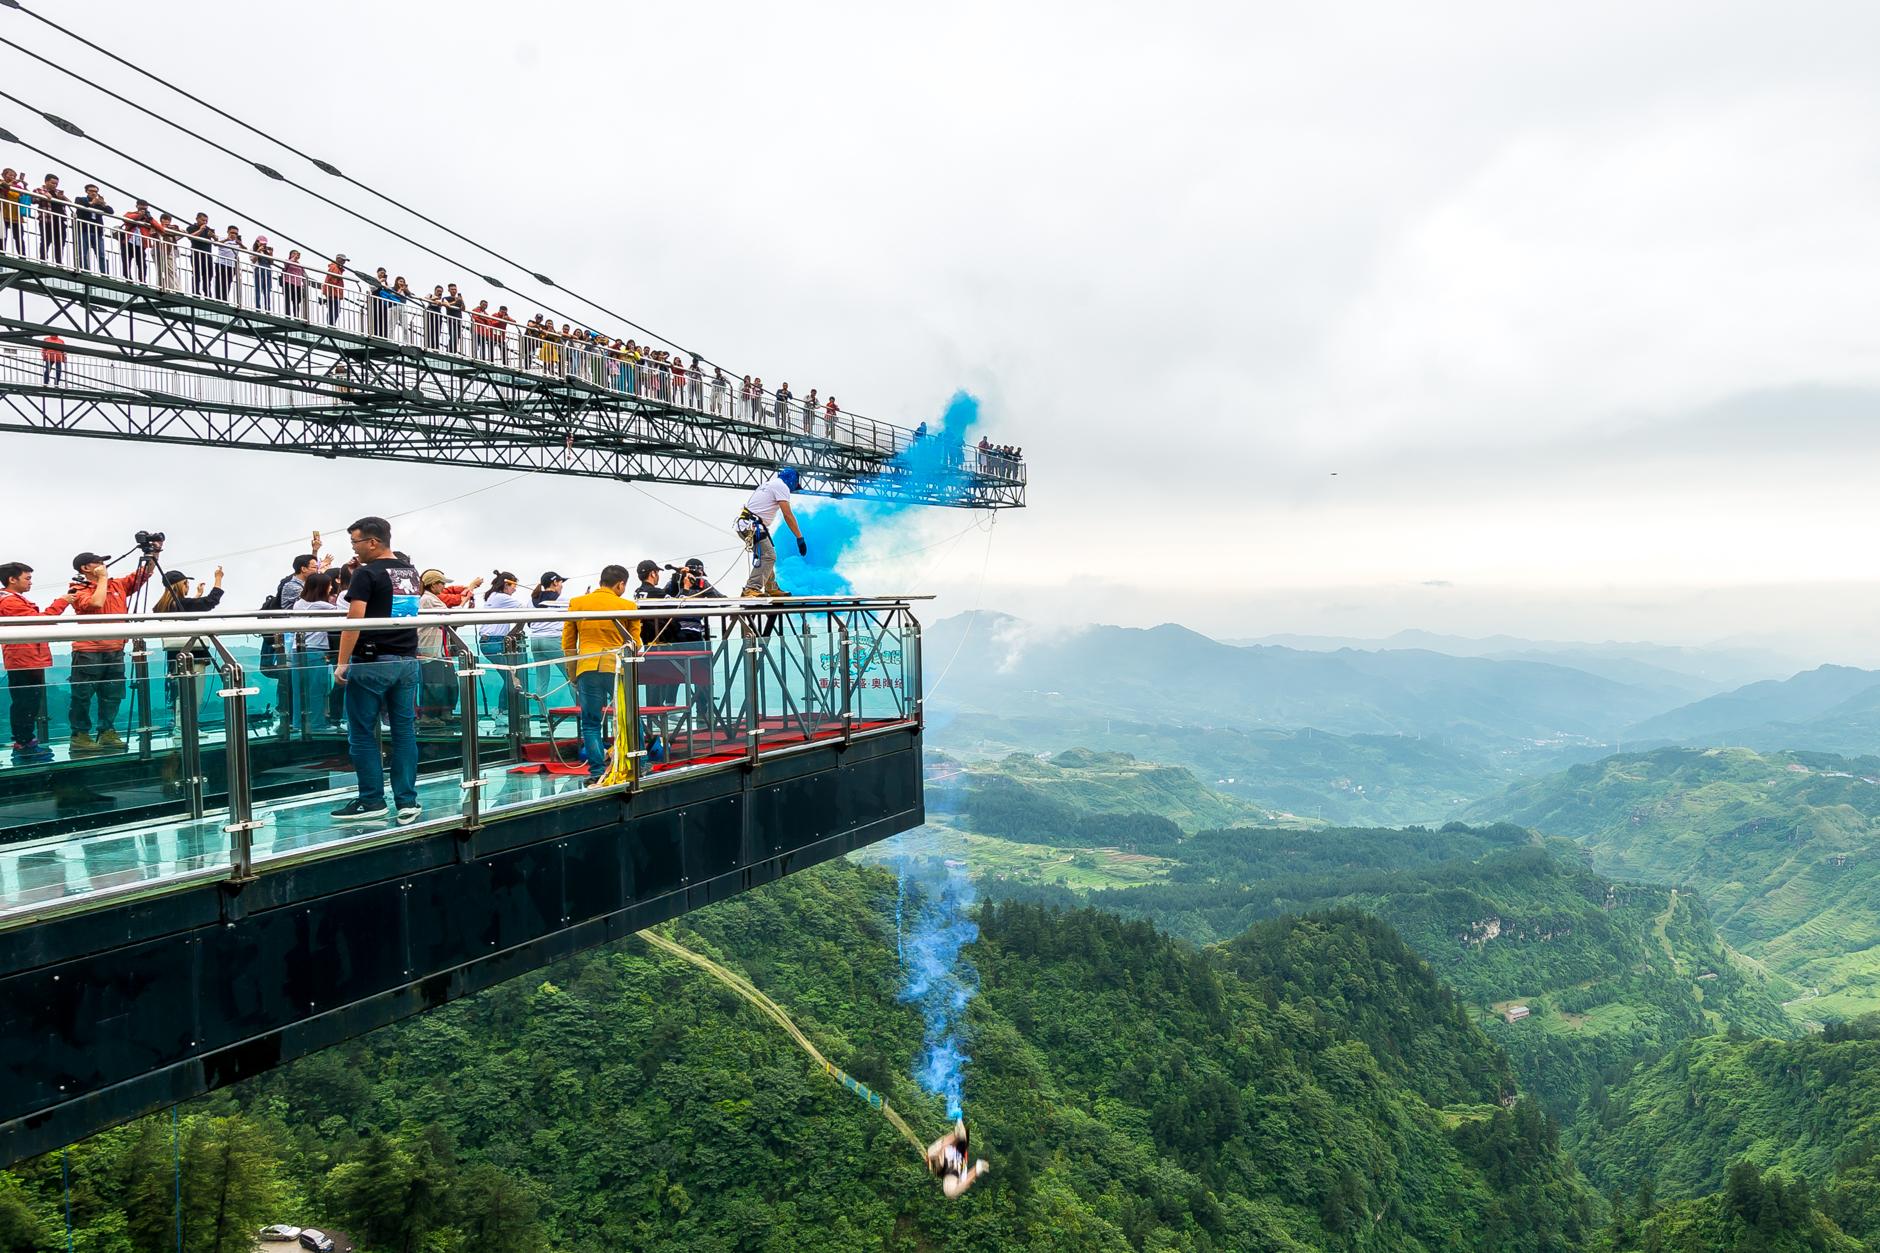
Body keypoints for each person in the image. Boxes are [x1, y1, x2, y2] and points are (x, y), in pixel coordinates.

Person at [331, 516, 423, 824]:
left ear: (372, 542)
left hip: (372, 662)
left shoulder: (366, 574)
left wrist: (342, 662)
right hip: (407, 660)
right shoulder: (409, 571)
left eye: (355, 543)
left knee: (361, 733)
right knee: (404, 731)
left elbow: (355, 620)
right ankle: (407, 801)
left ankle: (372, 801)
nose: (354, 550)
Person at [66, 542, 158, 754]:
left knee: (113, 693)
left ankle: (107, 731)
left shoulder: (117, 585)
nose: (102, 565)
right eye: (97, 562)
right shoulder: (77, 589)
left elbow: (144, 574)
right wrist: (103, 579)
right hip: (88, 650)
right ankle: (80, 736)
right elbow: (96, 603)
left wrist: (153, 553)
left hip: (115, 647)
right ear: (85, 568)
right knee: (82, 695)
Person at [561, 565, 640, 785]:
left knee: (590, 722)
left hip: (587, 667)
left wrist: (572, 673)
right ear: (620, 584)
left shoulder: (578, 603)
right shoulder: (628, 606)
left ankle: (596, 771)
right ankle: (639, 764)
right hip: (616, 667)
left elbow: (568, 643)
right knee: (630, 717)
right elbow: (635, 643)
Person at [0, 561, 71, 763]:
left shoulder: (11, 599)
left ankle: (27, 741)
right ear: (12, 579)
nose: (30, 582)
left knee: (27, 702)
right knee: (26, 702)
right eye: (27, 578)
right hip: (24, 659)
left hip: (26, 658)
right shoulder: (10, 602)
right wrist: (62, 601)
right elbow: (41, 620)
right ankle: (24, 743)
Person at [153, 566, 224, 725]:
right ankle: (186, 729)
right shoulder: (181, 604)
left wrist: (197, 596)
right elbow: (210, 602)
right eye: (185, 583)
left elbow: (185, 613)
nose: (188, 586)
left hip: (175, 656)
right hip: (193, 657)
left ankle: (182, 728)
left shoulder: (163, 606)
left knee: (180, 694)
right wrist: (218, 578)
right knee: (192, 696)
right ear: (178, 585)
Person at [416, 568, 482, 727]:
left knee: (449, 683)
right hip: (430, 649)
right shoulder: (428, 599)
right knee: (435, 683)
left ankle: (446, 712)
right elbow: (450, 617)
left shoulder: (433, 598)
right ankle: (428, 716)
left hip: (441, 649)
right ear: (433, 585)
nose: (443, 587)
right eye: (441, 584)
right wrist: (466, 598)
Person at [666, 557, 721, 732]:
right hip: (678, 635)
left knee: (702, 676)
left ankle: (703, 714)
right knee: (676, 672)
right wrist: (681, 583)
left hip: (696, 635)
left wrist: (705, 587)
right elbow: (674, 603)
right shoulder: (675, 585)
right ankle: (670, 708)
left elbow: (722, 599)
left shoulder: (702, 584)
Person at [290, 570, 345, 735]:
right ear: (322, 588)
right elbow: (344, 616)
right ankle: (317, 725)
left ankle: (299, 723)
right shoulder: (322, 606)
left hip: (297, 650)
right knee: (316, 689)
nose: (330, 589)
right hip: (315, 650)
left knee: (299, 689)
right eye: (329, 586)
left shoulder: (299, 603)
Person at [737, 466, 806, 596]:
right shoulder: (782, 487)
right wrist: (799, 538)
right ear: (792, 480)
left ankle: (771, 587)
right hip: (752, 526)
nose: (792, 490)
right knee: (769, 556)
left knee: (767, 555)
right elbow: (788, 515)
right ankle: (751, 588)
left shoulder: (769, 484)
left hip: (747, 524)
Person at [477, 570, 530, 730]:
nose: (515, 590)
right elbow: (526, 609)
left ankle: (503, 711)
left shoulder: (493, 596)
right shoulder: (501, 597)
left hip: (491, 641)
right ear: (506, 584)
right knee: (510, 678)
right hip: (494, 641)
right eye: (513, 586)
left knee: (510, 677)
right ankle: (501, 712)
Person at [634, 560, 679, 716]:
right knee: (667, 675)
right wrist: (684, 587)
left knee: (653, 677)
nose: (658, 575)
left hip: (647, 640)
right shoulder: (656, 593)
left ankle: (653, 715)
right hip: (661, 640)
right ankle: (662, 712)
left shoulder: (638, 591)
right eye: (657, 573)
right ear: (652, 573)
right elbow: (678, 604)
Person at [525, 571, 568, 719]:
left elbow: (529, 622)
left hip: (535, 641)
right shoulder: (562, 599)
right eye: (561, 582)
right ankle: (581, 713)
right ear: (555, 582)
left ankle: (543, 716)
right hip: (554, 640)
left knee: (541, 681)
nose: (562, 586)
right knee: (572, 677)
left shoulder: (532, 600)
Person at [925, 1121, 990, 1199]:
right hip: (955, 1166)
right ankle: (978, 1168)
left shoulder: (950, 1152)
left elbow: (944, 1146)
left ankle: (957, 1134)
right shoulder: (958, 1157)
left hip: (952, 1165)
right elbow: (965, 1181)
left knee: (933, 1152)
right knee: (950, 1192)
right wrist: (974, 1173)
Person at [72, 183, 112, 274]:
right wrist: (92, 203)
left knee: (101, 254)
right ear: (86, 191)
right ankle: (85, 270)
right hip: (84, 230)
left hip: (97, 232)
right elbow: (79, 204)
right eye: (91, 191)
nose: (94, 193)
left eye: (96, 191)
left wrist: (103, 204)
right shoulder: (81, 199)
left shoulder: (99, 204)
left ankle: (104, 273)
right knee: (83, 252)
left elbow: (111, 211)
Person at [35, 174, 69, 266]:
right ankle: (43, 260)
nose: (55, 185)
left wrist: (62, 198)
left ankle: (59, 262)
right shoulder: (40, 190)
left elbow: (70, 203)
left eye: (56, 183)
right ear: (46, 182)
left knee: (60, 241)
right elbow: (33, 199)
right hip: (47, 220)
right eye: (53, 183)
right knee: (46, 240)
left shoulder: (58, 192)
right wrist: (44, 195)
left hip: (60, 220)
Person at [120, 199, 156, 283]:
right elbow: (126, 218)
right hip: (129, 241)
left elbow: (156, 225)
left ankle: (142, 280)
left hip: (140, 243)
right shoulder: (130, 213)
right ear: (137, 206)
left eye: (145, 208)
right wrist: (139, 215)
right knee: (126, 260)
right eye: (141, 208)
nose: (143, 210)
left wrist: (149, 219)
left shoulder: (148, 217)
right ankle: (127, 277)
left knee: (142, 263)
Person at [184, 212, 214, 297]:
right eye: (203, 220)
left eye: (206, 221)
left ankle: (207, 293)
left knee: (208, 275)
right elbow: (190, 237)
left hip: (207, 255)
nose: (205, 222)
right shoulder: (191, 227)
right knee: (197, 273)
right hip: (196, 254)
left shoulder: (208, 229)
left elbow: (216, 241)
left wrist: (213, 236)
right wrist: (201, 230)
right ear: (197, 219)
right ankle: (196, 292)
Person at [214, 225, 244, 302]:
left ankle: (225, 300)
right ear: (228, 232)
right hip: (221, 263)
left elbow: (245, 250)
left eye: (236, 233)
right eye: (232, 232)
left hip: (232, 266)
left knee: (228, 283)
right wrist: (227, 239)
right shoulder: (222, 238)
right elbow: (216, 244)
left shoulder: (237, 242)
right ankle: (218, 299)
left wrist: (240, 243)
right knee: (219, 281)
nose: (234, 234)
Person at [0, 168, 22, 255]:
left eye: (14, 176)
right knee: (3, 235)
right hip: (4, 212)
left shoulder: (18, 186)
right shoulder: (1, 181)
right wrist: (11, 184)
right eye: (10, 175)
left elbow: (26, 195)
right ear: (4, 175)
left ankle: (22, 255)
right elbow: (4, 187)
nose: (12, 177)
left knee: (19, 236)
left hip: (16, 214)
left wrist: (24, 185)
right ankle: (2, 253)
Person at [251, 235, 275, 310]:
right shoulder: (253, 250)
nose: (263, 245)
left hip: (267, 271)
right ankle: (258, 307)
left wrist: (271, 254)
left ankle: (268, 308)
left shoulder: (266, 252)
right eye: (261, 243)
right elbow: (253, 260)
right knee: (258, 289)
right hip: (258, 270)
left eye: (264, 244)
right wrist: (258, 251)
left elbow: (271, 262)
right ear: (257, 242)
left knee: (267, 290)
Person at [281, 248, 307, 318]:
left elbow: (304, 274)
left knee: (296, 301)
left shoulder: (299, 264)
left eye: (296, 253)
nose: (295, 255)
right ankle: (288, 315)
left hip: (298, 285)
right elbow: (286, 265)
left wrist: (304, 284)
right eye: (293, 253)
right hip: (288, 282)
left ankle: (296, 316)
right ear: (290, 255)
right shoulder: (288, 261)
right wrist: (293, 258)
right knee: (288, 299)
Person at [323, 254, 347, 324]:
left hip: (334, 292)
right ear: (337, 259)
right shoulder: (334, 268)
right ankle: (331, 325)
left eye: (344, 260)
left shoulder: (336, 268)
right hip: (333, 292)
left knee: (334, 310)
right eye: (342, 260)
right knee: (334, 310)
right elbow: (332, 281)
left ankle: (331, 324)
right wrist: (330, 293)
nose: (344, 262)